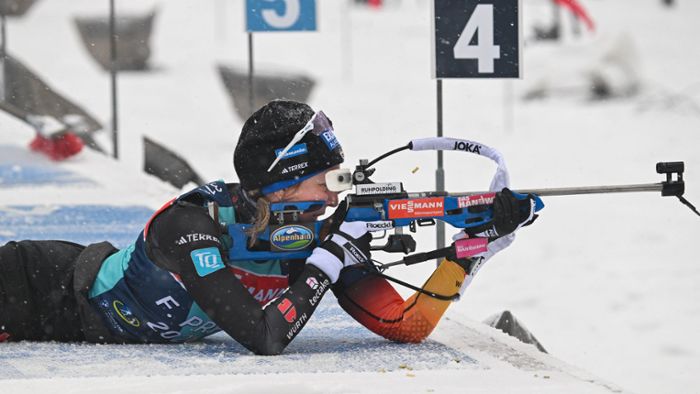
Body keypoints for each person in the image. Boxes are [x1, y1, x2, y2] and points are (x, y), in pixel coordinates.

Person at [0, 100, 537, 354]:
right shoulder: (192, 226)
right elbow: (263, 337)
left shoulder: (309, 236)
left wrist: (471, 246)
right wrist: (329, 259)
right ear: (279, 185)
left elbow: (406, 325)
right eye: (324, 181)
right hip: (35, 285)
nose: (334, 195)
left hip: (70, 321)